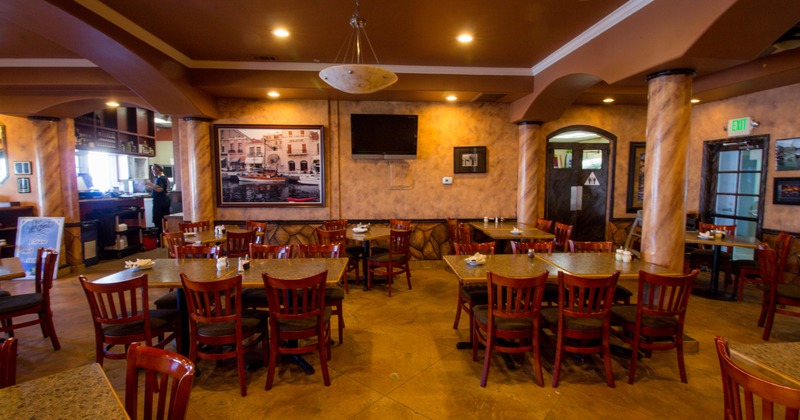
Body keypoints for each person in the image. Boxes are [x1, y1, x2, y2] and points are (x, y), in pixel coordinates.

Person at [145, 164, 171, 237]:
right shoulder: (165, 178)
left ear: (157, 169)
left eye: (153, 169)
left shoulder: (160, 179)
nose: (152, 171)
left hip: (160, 203)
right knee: (162, 221)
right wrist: (151, 188)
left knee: (159, 221)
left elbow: (160, 189)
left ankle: (160, 239)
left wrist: (150, 184)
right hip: (163, 202)